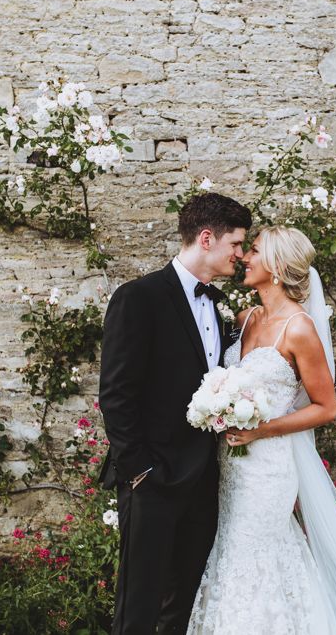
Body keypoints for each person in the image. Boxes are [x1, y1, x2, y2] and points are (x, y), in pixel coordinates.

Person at [187, 225, 336, 634]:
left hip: (268, 469)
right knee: (232, 553)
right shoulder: (245, 317)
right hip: (232, 468)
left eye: (253, 251)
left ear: (274, 266)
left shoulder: (299, 328)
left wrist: (260, 430)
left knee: (253, 555)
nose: (244, 258)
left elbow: (326, 409)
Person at [98, 192, 252, 634]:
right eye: (236, 244)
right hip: (153, 479)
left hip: (205, 479)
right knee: (139, 604)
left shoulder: (222, 305)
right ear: (207, 238)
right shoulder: (139, 298)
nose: (240, 255)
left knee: (183, 599)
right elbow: (116, 393)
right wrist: (140, 470)